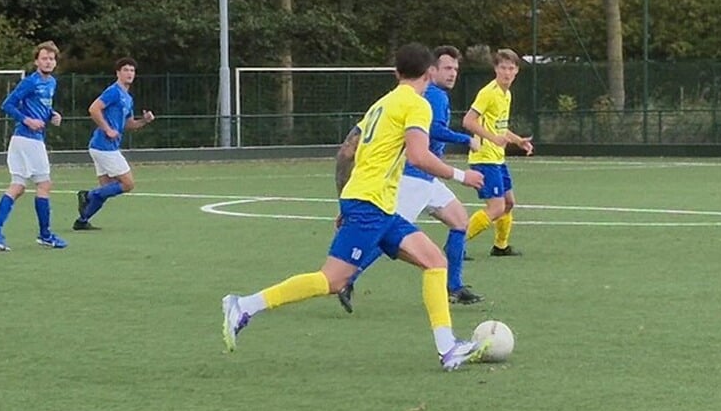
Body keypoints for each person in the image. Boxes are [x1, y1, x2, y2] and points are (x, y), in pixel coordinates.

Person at [220, 43, 491, 371]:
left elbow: (352, 153)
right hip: (371, 204)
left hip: (374, 203)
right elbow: (419, 156)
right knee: (332, 280)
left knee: (435, 262)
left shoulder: (381, 104)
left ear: (396, 72)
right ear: (429, 73)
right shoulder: (417, 105)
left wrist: (347, 201)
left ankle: (448, 349)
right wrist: (463, 175)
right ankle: (244, 305)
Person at [337, 45, 483, 311]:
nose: (452, 74)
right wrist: (466, 141)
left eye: (455, 69)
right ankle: (347, 278)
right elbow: (433, 131)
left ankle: (454, 286)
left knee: (460, 221)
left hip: (428, 178)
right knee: (387, 235)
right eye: (447, 68)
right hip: (414, 177)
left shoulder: (424, 96)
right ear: (431, 71)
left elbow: (348, 149)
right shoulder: (432, 97)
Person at [0, 41, 67, 250]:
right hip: (29, 139)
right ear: (36, 61)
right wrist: (27, 120)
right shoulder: (31, 82)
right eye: (44, 58)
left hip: (24, 141)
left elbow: (43, 107)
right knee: (44, 184)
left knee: (18, 186)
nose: (48, 62)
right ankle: (45, 235)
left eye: (51, 58)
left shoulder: (52, 83)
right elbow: (8, 104)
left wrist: (52, 115)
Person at [462, 48, 534, 257]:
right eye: (503, 67)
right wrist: (493, 139)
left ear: (517, 71)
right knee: (496, 207)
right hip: (484, 158)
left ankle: (500, 246)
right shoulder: (488, 93)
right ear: (496, 69)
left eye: (511, 68)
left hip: (497, 158)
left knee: (509, 203)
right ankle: (456, 243)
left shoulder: (506, 94)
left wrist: (518, 141)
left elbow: (499, 128)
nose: (507, 72)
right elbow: (468, 121)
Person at [73, 57, 156, 230]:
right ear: (118, 73)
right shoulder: (114, 91)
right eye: (125, 70)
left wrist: (145, 121)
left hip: (102, 147)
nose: (129, 73)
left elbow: (128, 124)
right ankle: (88, 195)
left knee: (107, 189)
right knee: (128, 184)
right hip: (104, 146)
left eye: (132, 70)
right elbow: (94, 108)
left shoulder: (128, 98)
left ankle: (82, 221)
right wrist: (107, 129)